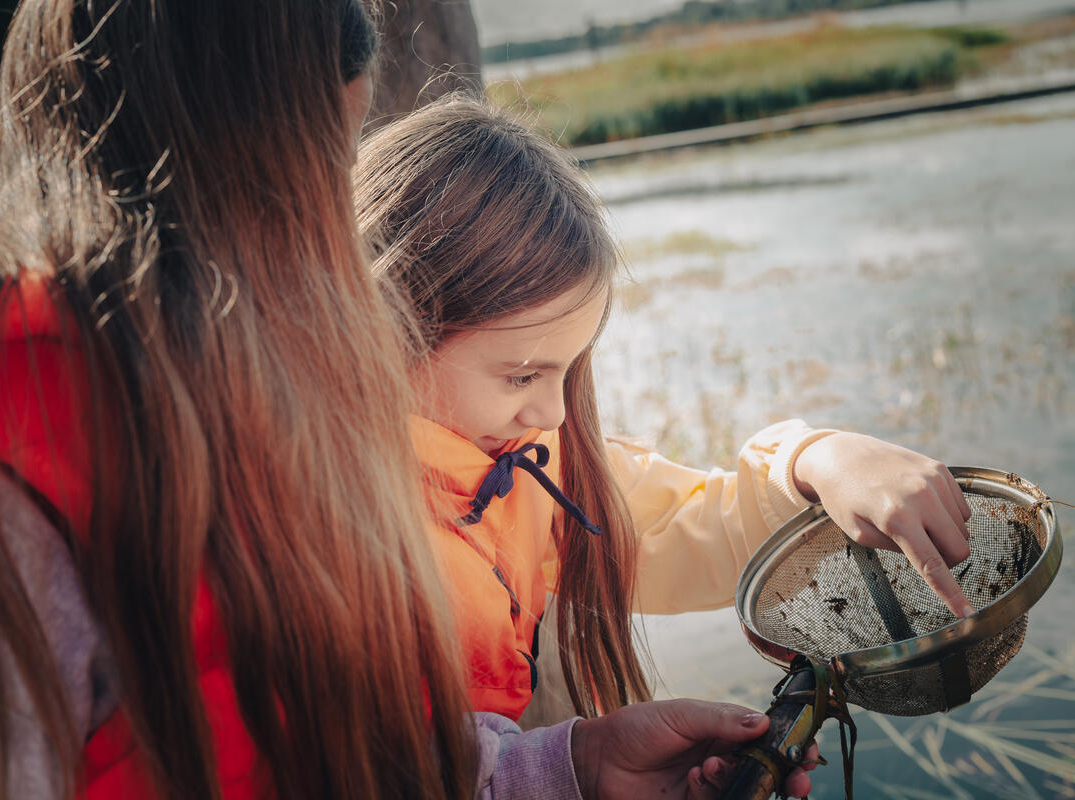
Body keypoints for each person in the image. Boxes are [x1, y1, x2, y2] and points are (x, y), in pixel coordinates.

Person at [0, 2, 817, 799]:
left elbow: (328, 744)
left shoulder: (249, 403)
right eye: (318, 171)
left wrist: (568, 769)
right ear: (216, 165)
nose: (338, 233)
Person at [354, 97, 976, 725]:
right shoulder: (320, 539)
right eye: (521, 376)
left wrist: (820, 461)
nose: (554, 411)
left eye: (568, 371)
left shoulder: (532, 464)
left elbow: (693, 526)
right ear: (386, 328)